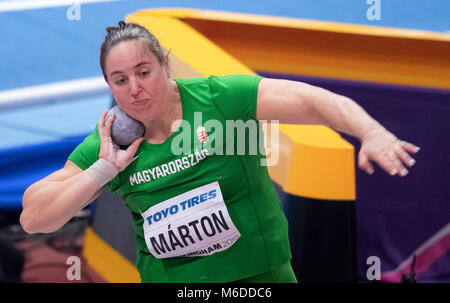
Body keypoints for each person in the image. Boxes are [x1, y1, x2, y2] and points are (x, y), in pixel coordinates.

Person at [20, 21, 420, 283]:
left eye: (144, 72)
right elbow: (35, 217)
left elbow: (312, 100)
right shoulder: (112, 142)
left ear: (165, 66)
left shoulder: (222, 100)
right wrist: (102, 171)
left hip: (261, 281)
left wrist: (370, 131)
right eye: (120, 80)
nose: (135, 89)